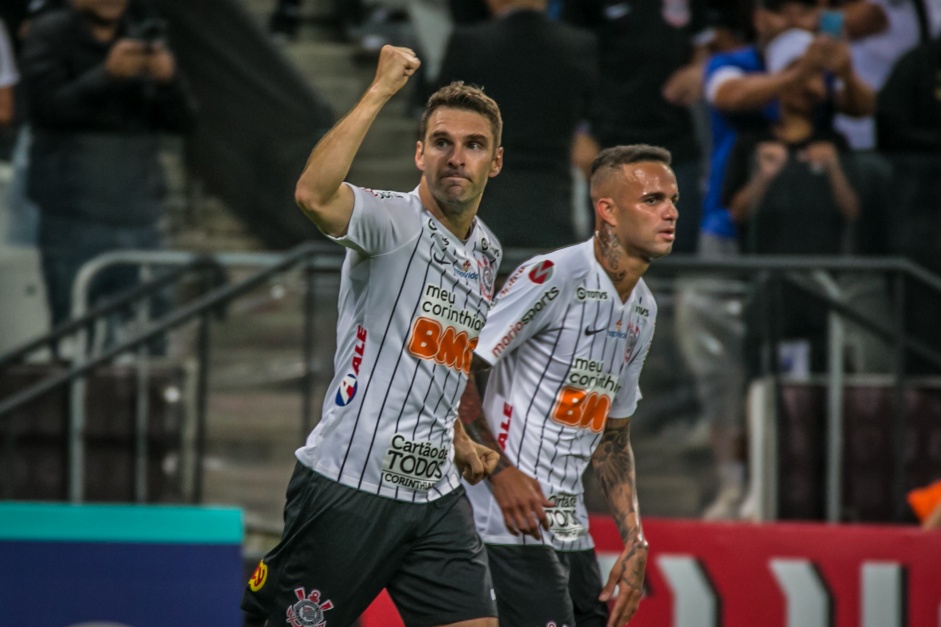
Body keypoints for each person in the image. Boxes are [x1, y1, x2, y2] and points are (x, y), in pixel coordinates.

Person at [241, 45, 505, 627]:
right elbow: (313, 194)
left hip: (434, 496)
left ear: (496, 161)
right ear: (419, 153)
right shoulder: (388, 220)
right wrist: (380, 90)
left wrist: (458, 438)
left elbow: (440, 356)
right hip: (348, 485)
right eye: (441, 142)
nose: (456, 157)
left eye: (473, 145)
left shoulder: (487, 250)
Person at [458, 144, 678, 627]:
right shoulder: (555, 275)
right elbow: (454, 367)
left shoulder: (643, 308)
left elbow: (613, 439)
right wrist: (499, 471)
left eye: (673, 199)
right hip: (504, 523)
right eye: (653, 199)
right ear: (607, 210)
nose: (671, 212)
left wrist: (634, 539)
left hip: (568, 526)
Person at [19, 0, 194, 327]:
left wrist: (170, 83)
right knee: (70, 326)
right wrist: (107, 76)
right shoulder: (49, 32)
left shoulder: (143, 31)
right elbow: (45, 110)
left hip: (139, 213)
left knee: (147, 331)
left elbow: (185, 123)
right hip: (72, 215)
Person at [723, 27, 861, 374]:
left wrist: (833, 169)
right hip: (767, 289)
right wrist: (764, 176)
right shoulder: (751, 143)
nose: (805, 85)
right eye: (797, 71)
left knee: (822, 385)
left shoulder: (835, 143)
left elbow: (854, 212)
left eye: (815, 74)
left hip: (826, 289)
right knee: (765, 387)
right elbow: (737, 212)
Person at [436, 0, 597, 250]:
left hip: (482, 205)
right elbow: (594, 120)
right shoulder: (579, 45)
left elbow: (439, 127)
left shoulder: (468, 44)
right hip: (555, 207)